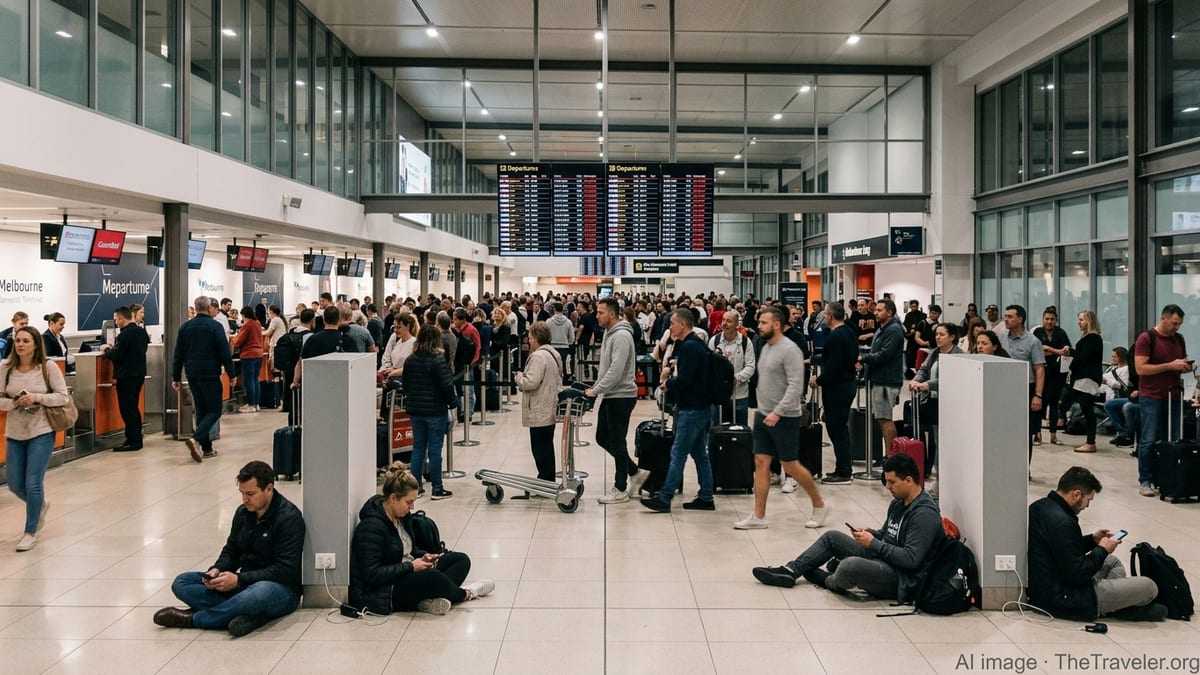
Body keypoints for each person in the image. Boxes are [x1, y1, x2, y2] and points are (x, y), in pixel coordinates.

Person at [751, 454, 941, 601]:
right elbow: (887, 534)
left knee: (850, 566)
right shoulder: (898, 502)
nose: (888, 487)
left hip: (900, 576)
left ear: (909, 480)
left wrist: (873, 543)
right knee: (831, 537)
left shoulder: (924, 514)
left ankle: (827, 580)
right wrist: (871, 534)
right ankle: (791, 571)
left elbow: (911, 559)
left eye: (892, 482)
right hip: (882, 556)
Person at [153, 461, 306, 636]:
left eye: (250, 494)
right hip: (241, 585)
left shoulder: (289, 518)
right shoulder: (243, 513)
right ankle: (246, 614)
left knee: (258, 594)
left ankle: (194, 619)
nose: (245, 500)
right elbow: (232, 550)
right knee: (182, 582)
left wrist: (239, 579)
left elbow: (285, 569)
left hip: (279, 589)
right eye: (242, 494)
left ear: (269, 489)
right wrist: (217, 570)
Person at [348, 462, 494, 616]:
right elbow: (371, 573)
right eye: (408, 502)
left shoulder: (401, 516)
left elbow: (409, 549)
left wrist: (425, 557)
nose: (411, 507)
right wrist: (411, 567)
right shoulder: (371, 527)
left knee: (460, 560)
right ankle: (466, 593)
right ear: (392, 498)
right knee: (433, 578)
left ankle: (428, 599)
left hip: (405, 572)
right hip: (384, 590)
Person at [1027, 466, 1164, 621]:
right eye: (1088, 500)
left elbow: (1063, 549)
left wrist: (1092, 540)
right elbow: (1078, 574)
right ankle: (1116, 607)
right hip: (1066, 597)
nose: (1087, 506)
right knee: (1149, 586)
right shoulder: (1063, 522)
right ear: (1076, 494)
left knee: (1112, 562)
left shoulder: (1040, 507)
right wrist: (1102, 550)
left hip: (1047, 587)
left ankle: (1117, 605)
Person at [732, 306, 826, 527]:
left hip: (784, 417)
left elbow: (795, 386)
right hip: (763, 414)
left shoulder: (790, 350)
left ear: (776, 324)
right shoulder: (765, 347)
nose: (759, 326)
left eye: (764, 322)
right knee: (761, 462)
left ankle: (819, 504)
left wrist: (778, 411)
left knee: (790, 464)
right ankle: (758, 516)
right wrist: (764, 410)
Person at [0, 325, 70, 552]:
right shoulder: (6, 368)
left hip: (41, 430)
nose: (20, 345)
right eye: (18, 341)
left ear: (35, 344)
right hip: (15, 432)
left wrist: (36, 398)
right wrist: (13, 403)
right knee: (14, 483)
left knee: (33, 483)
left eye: (25, 341)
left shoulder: (47, 367)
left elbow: (62, 397)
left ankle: (30, 531)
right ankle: (39, 505)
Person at [640, 308, 716, 513]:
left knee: (678, 453)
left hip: (691, 409)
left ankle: (664, 498)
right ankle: (706, 496)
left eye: (672, 323)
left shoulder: (690, 347)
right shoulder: (695, 344)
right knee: (700, 453)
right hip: (701, 407)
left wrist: (668, 384)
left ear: (683, 324)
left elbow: (686, 380)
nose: (670, 327)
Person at [1133, 304, 1197, 497]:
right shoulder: (1146, 338)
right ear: (1164, 318)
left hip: (1174, 396)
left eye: (1179, 324)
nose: (1176, 328)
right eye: (1174, 323)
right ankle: (1145, 479)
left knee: (1175, 439)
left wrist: (1185, 366)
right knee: (1149, 439)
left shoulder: (1179, 339)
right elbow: (1141, 369)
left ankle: (1169, 477)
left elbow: (1180, 361)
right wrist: (1170, 365)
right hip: (1151, 396)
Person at [588, 297, 646, 504]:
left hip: (621, 396)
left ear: (611, 314)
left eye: (600, 312)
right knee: (602, 437)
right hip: (611, 394)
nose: (597, 315)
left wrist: (597, 389)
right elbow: (607, 366)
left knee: (617, 441)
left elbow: (616, 369)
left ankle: (620, 487)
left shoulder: (621, 336)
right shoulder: (609, 333)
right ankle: (634, 471)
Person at [172, 296, 236, 463]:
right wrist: (232, 374)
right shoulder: (215, 326)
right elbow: (224, 352)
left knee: (201, 409)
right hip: (210, 373)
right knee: (215, 409)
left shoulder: (185, 327)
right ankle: (197, 439)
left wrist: (176, 376)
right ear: (209, 309)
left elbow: (178, 353)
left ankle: (206, 449)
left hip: (192, 373)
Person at [402, 324, 458, 499]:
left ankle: (415, 488)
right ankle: (437, 488)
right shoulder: (438, 359)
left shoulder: (410, 359)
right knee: (434, 450)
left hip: (415, 409)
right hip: (435, 410)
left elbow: (406, 384)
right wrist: (453, 403)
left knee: (418, 448)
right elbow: (446, 385)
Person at [810, 301, 858, 485]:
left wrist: (818, 380)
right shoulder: (848, 333)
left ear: (830, 316)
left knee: (836, 427)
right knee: (839, 427)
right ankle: (842, 467)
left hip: (838, 388)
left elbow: (833, 366)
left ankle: (844, 471)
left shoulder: (835, 337)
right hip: (847, 384)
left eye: (825, 314)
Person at [514, 322, 563, 483]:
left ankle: (545, 480)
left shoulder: (538, 356)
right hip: (550, 405)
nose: (529, 341)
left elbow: (531, 382)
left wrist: (519, 377)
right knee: (546, 446)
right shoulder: (554, 354)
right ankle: (547, 478)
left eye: (530, 338)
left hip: (539, 406)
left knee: (540, 448)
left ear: (535, 339)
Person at [998, 304, 1046, 464]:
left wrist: (1037, 395)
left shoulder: (1033, 342)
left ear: (1020, 319)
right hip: (1004, 389)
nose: (1006, 319)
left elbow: (1039, 369)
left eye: (1010, 316)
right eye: (1005, 316)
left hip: (1025, 389)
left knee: (1024, 432)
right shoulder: (1001, 337)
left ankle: (1025, 467)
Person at [858, 299, 905, 455]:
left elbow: (884, 355)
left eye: (879, 310)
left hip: (886, 381)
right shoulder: (882, 328)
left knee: (885, 419)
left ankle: (891, 457)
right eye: (876, 310)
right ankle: (888, 455)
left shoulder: (893, 330)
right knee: (881, 418)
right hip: (879, 379)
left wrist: (863, 358)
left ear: (889, 312)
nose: (876, 313)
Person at [100, 306, 150, 451]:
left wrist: (107, 349)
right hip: (138, 373)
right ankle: (135, 438)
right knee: (133, 408)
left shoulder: (125, 335)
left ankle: (133, 441)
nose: (116, 322)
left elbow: (117, 356)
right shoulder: (141, 332)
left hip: (127, 376)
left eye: (116, 319)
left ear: (122, 318)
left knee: (128, 409)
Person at [1064, 310, 1104, 453]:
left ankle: (1090, 442)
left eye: (1081, 320)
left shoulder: (1093, 338)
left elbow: (1083, 358)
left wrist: (1071, 352)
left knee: (1086, 409)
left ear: (1089, 321)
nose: (1079, 323)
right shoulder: (1090, 338)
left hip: (1087, 378)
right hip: (1084, 378)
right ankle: (1090, 440)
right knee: (1085, 408)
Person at [709, 310, 755, 427]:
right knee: (716, 428)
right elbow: (708, 365)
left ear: (737, 325)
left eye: (729, 321)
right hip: (718, 395)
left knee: (739, 428)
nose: (724, 324)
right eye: (723, 320)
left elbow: (750, 366)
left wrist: (736, 378)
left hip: (739, 394)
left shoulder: (745, 342)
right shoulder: (714, 341)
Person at [1033, 308, 1071, 446]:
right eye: (1047, 319)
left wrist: (1049, 350)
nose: (1049, 322)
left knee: (1054, 404)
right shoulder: (1038, 332)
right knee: (1039, 403)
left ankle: (1053, 436)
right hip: (1042, 372)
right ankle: (1037, 435)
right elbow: (1038, 350)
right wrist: (1056, 351)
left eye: (1052, 319)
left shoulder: (1061, 333)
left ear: (1056, 320)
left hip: (1057, 374)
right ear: (1043, 319)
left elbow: (1067, 351)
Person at [1102, 347, 1137, 448]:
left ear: (1120, 358)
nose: (1112, 358)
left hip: (1126, 396)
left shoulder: (1126, 370)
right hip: (1110, 393)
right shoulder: (1114, 368)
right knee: (1109, 404)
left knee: (1125, 406)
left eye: (1114, 357)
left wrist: (1107, 382)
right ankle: (1122, 433)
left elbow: (1123, 386)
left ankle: (1125, 434)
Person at [232, 305, 265, 413]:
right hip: (258, 354)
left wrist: (233, 338)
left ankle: (251, 405)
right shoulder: (257, 324)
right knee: (255, 379)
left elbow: (238, 341)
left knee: (249, 380)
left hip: (248, 355)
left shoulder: (247, 325)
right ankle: (256, 404)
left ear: (244, 315)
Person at [379, 313, 418, 383]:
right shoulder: (397, 341)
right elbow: (387, 357)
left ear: (408, 326)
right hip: (393, 379)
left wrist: (394, 371)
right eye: (394, 327)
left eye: (399, 327)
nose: (395, 330)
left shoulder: (415, 343)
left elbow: (412, 367)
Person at [902, 300, 927, 378]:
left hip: (920, 340)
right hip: (911, 340)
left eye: (915, 306)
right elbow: (906, 326)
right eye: (912, 306)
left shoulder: (923, 315)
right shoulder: (908, 315)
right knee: (910, 357)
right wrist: (909, 333)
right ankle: (911, 374)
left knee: (919, 357)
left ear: (917, 306)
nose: (914, 308)